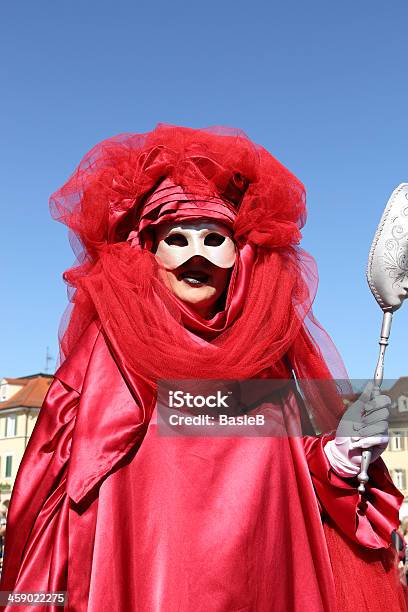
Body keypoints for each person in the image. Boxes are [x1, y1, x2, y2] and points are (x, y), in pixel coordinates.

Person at [0, 124, 406, 612]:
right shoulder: (107, 349)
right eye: (177, 237)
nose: (197, 252)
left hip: (264, 575)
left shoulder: (267, 357)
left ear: (241, 255)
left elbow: (297, 470)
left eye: (215, 237)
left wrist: (341, 454)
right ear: (148, 250)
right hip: (144, 577)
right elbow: (53, 482)